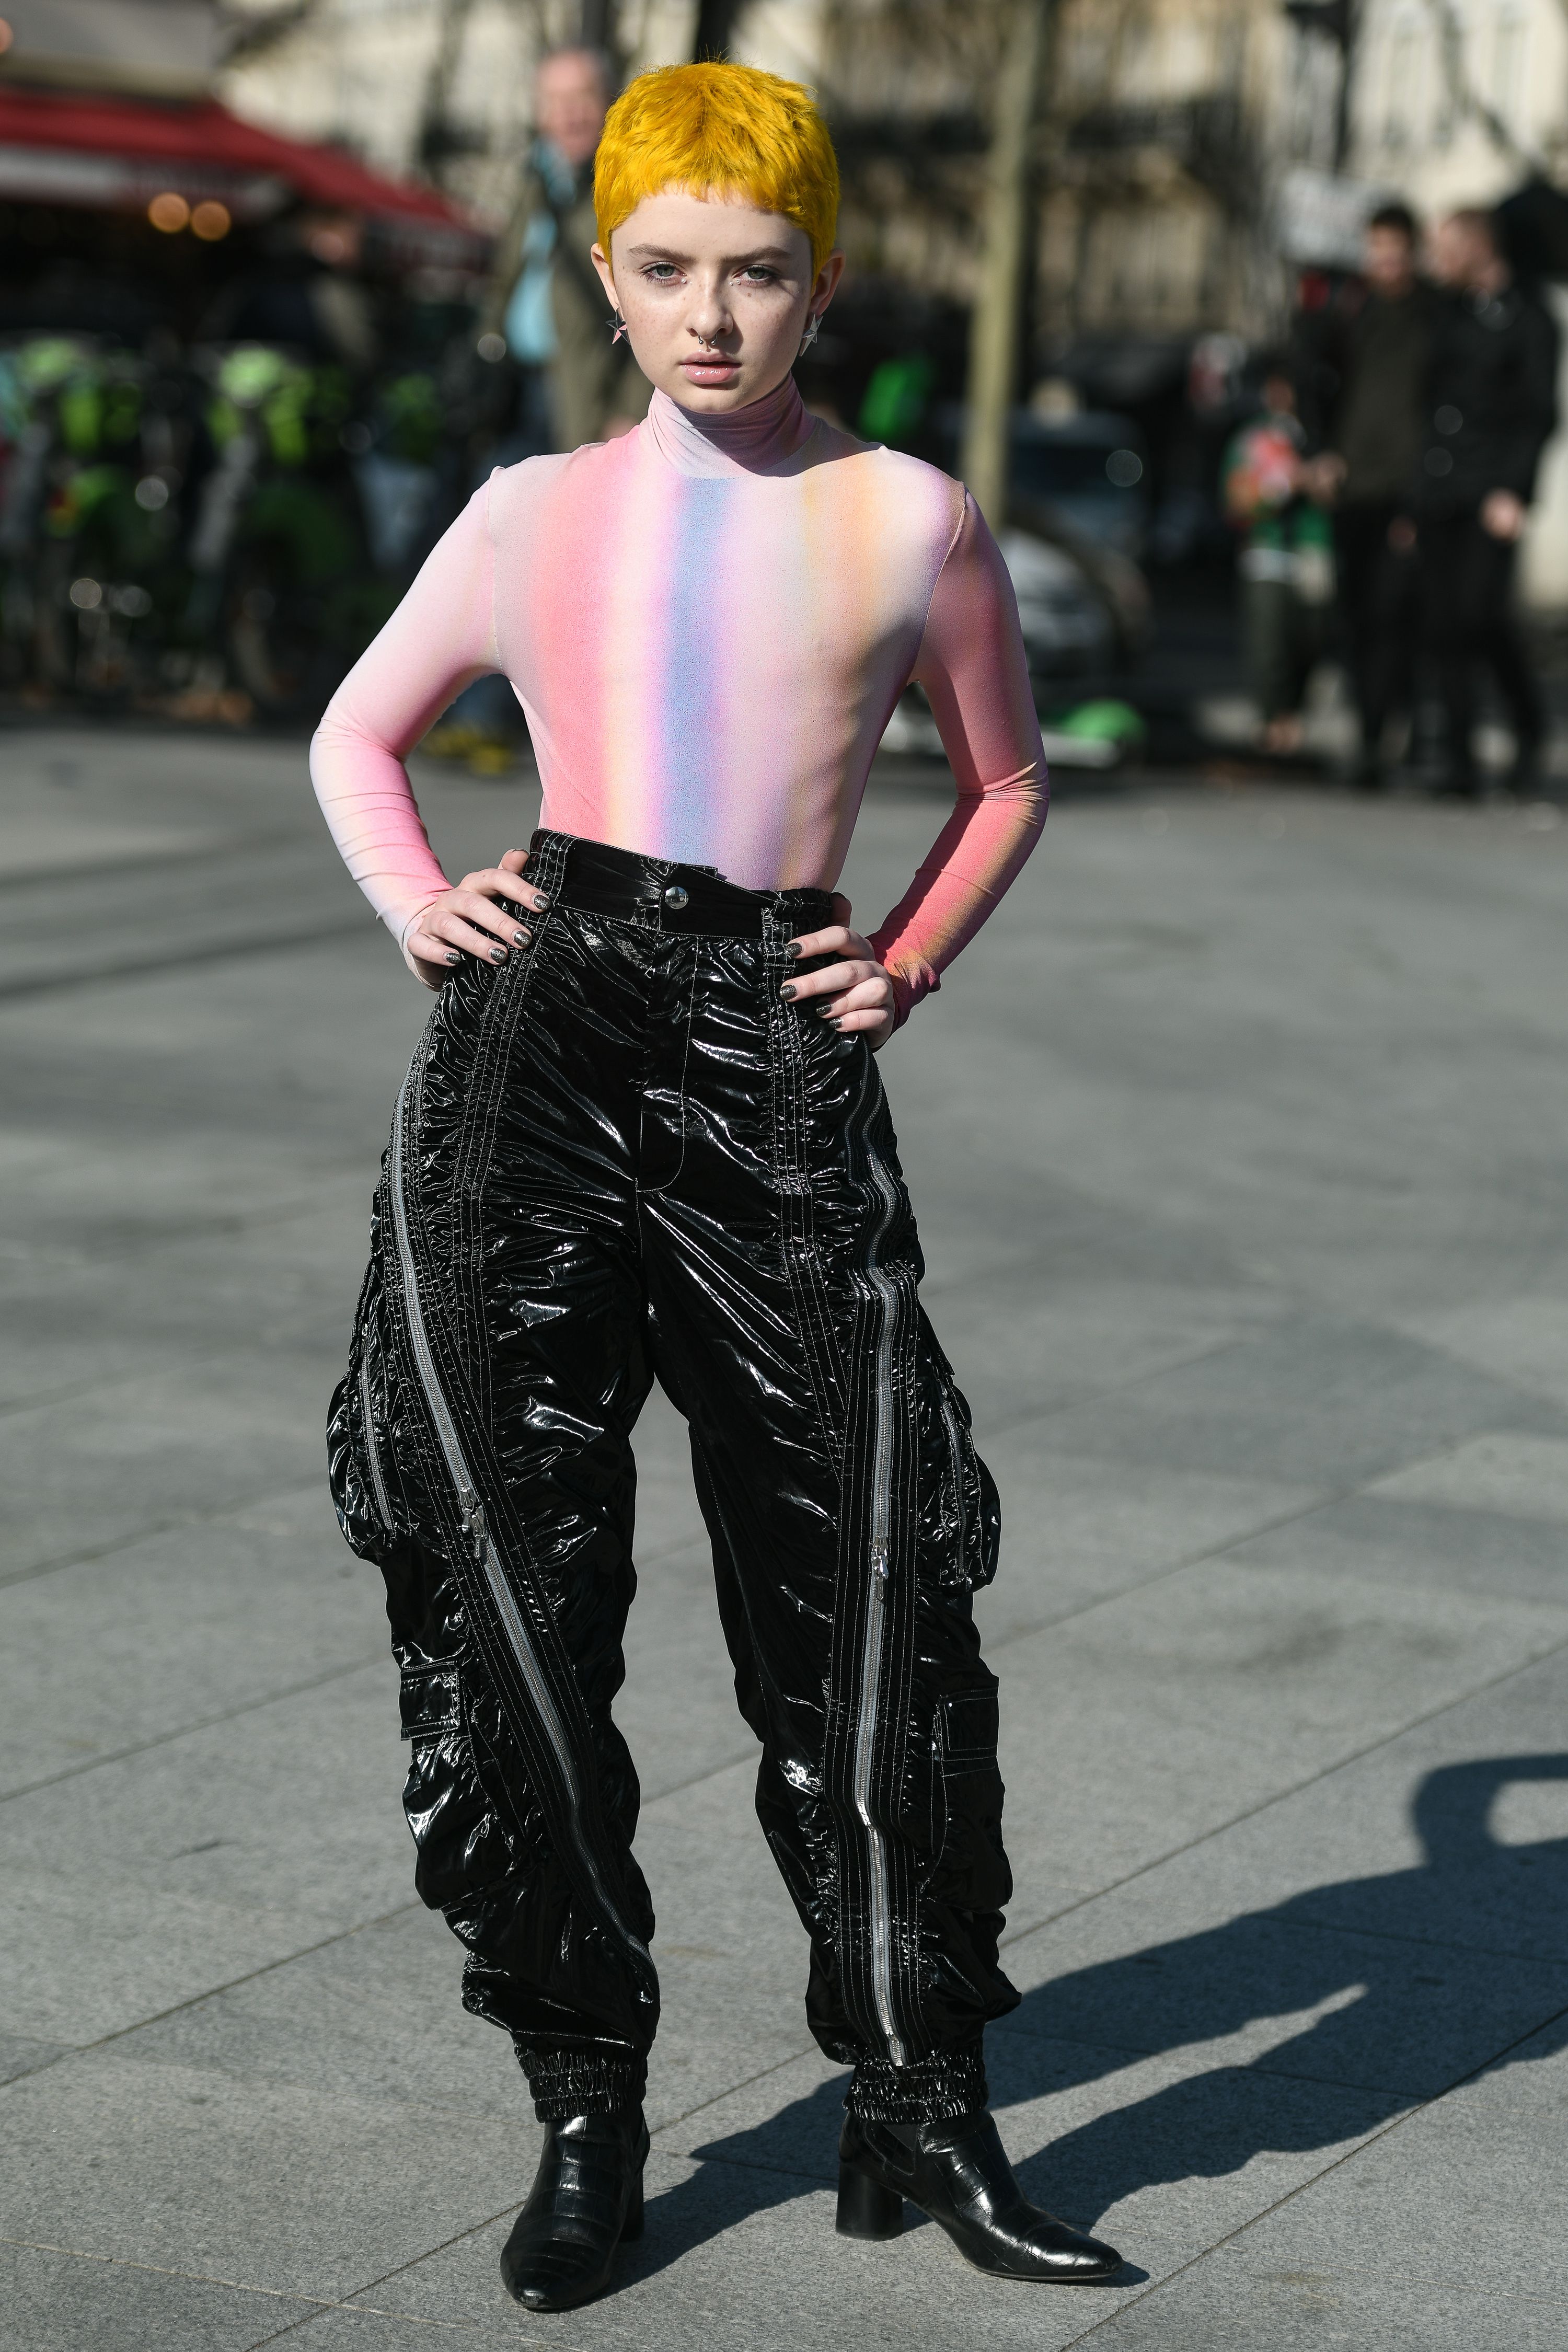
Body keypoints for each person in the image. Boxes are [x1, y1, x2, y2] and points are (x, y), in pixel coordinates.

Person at [312, 59, 1123, 2315]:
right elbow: (355, 730)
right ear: (602, 277)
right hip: (534, 1048)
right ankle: (584, 2096)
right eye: (663, 269)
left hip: (771, 1044)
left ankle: (917, 2101)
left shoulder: (906, 516)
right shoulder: (528, 513)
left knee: (864, 1587)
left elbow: (1002, 777)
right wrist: (417, 903)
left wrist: (908, 961)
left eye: (754, 272)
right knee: (502, 1577)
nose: (708, 312)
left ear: (820, 284)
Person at [1420, 207, 1559, 794]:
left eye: (1447, 249)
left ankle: (1528, 725)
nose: (1437, 261)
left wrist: (1514, 490)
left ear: (1478, 248)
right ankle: (1460, 758)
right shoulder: (1444, 313)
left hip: (1491, 492)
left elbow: (1539, 413)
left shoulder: (1530, 317)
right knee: (1443, 623)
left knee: (1481, 615)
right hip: (1439, 487)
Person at [1302, 203, 1438, 787]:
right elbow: (1311, 379)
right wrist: (1320, 452)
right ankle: (1371, 730)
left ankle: (1391, 732)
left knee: (1396, 615)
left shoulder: (1435, 313)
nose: (1385, 262)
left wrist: (1426, 490)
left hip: (1407, 489)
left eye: (1395, 250)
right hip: (1353, 487)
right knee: (1357, 617)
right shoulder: (1348, 309)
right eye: (1376, 249)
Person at [481, 45, 652, 453]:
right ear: (540, 112)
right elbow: (505, 276)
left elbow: (654, 307)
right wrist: (487, 337)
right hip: (515, 386)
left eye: (582, 97)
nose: (569, 114)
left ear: (608, 103)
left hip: (582, 397)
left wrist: (630, 409)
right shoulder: (533, 179)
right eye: (555, 101)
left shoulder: (631, 187)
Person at [1221, 355, 1334, 756]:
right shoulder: (1254, 440)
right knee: (1267, 642)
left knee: (1311, 636)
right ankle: (1271, 719)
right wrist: (1286, 483)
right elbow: (1237, 500)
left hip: (1312, 547)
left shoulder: (1320, 435)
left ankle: (1293, 713)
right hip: (1267, 549)